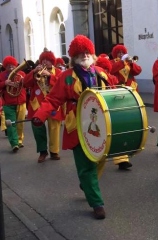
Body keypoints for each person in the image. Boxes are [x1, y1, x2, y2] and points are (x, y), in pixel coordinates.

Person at [31, 35, 113, 219]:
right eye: (80, 53)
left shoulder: (101, 72)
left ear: (92, 54)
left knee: (99, 159)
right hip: (77, 124)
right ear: (74, 57)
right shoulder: (67, 77)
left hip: (100, 124)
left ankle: (87, 185)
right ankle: (97, 203)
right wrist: (40, 115)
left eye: (87, 52)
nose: (84, 55)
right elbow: (53, 99)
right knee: (86, 166)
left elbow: (115, 91)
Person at [23, 50, 65, 163]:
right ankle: (42, 151)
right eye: (43, 60)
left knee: (54, 127)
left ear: (52, 61)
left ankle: (54, 151)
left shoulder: (59, 72)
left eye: (48, 60)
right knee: (37, 128)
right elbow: (25, 84)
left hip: (53, 104)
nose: (45, 62)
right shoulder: (35, 71)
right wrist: (33, 73)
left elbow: (62, 85)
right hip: (37, 104)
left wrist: (50, 76)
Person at [109, 45, 142, 169]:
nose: (121, 53)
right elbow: (110, 70)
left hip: (130, 95)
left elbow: (138, 71)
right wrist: (122, 62)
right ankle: (121, 159)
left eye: (123, 52)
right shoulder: (111, 62)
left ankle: (125, 152)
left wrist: (131, 62)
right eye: (118, 52)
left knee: (127, 125)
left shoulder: (129, 63)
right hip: (116, 96)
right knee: (118, 127)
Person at [0, 56, 26, 152]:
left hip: (21, 102)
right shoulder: (1, 75)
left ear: (15, 65)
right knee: (11, 125)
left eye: (12, 65)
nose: (10, 67)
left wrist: (21, 82)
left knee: (20, 124)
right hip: (8, 104)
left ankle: (19, 140)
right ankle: (14, 143)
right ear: (5, 66)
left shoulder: (21, 73)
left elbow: (27, 84)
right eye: (8, 66)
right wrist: (4, 83)